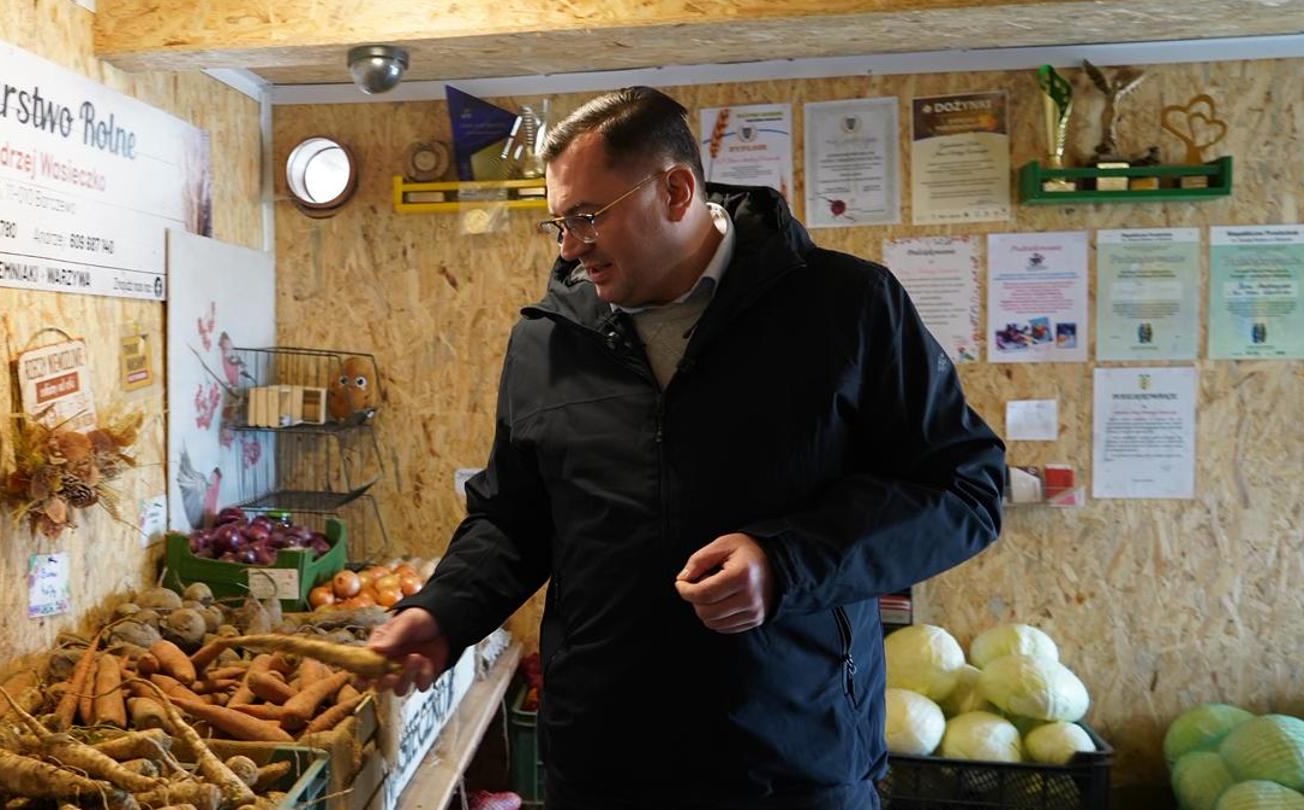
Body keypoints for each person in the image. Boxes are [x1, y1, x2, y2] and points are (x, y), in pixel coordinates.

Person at [368, 87, 1007, 810]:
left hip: (791, 757)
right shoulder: (548, 339)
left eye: (586, 217)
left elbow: (964, 490)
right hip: (603, 762)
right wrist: (446, 609)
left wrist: (787, 561)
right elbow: (514, 519)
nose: (569, 247)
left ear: (675, 190)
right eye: (559, 223)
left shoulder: (846, 308)